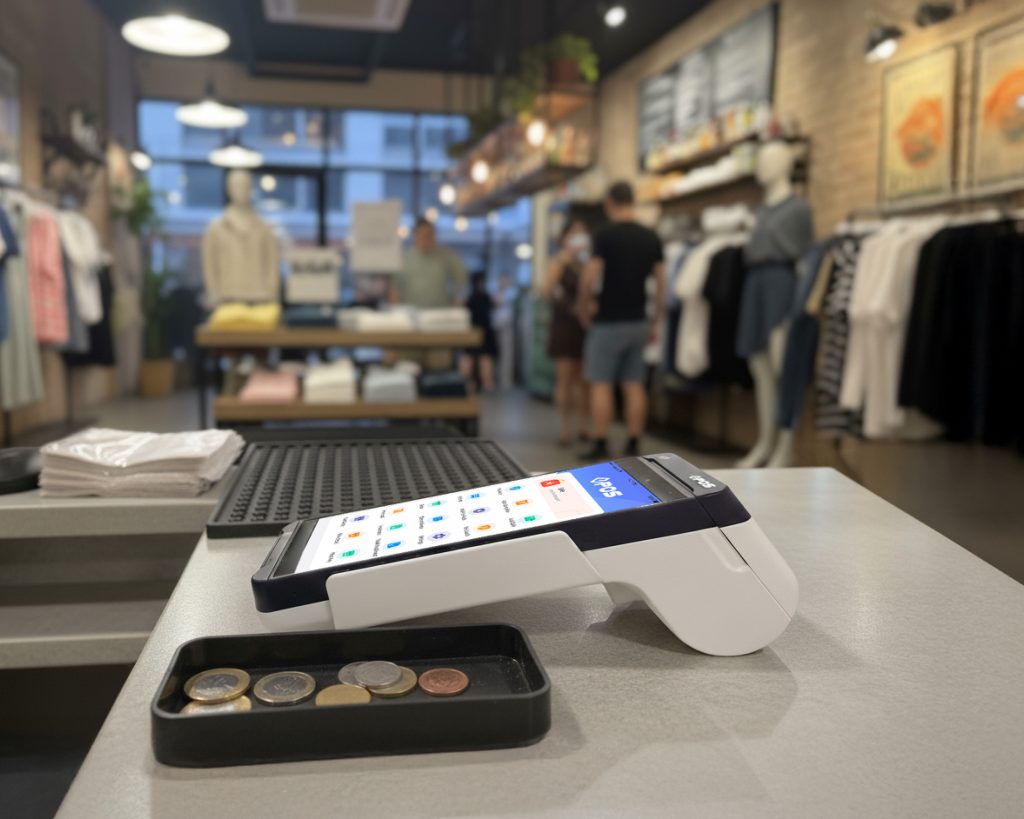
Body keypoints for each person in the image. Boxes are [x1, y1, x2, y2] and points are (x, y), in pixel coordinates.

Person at [577, 181, 666, 460]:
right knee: (634, 384)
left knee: (601, 382)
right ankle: (634, 442)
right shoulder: (651, 237)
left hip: (608, 321)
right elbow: (662, 283)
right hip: (638, 320)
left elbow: (590, 275)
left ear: (609, 203)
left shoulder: (604, 235)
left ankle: (601, 441)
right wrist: (655, 320)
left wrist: (584, 307)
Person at [544, 218, 591, 447]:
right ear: (564, 238)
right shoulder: (558, 263)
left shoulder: (587, 263)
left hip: (585, 327)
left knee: (584, 380)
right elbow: (546, 291)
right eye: (575, 233)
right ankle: (565, 428)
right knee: (565, 378)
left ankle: (584, 426)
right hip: (564, 325)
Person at [391, 217, 466, 308]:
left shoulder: (445, 256)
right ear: (415, 235)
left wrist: (458, 300)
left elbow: (462, 279)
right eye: (423, 234)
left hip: (440, 312)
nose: (426, 238)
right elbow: (394, 288)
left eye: (430, 234)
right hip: (412, 314)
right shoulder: (404, 258)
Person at [461, 271, 497, 390]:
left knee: (469, 357)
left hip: (472, 330)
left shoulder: (470, 298)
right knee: (484, 359)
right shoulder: (485, 297)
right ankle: (487, 384)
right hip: (483, 331)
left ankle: (464, 383)